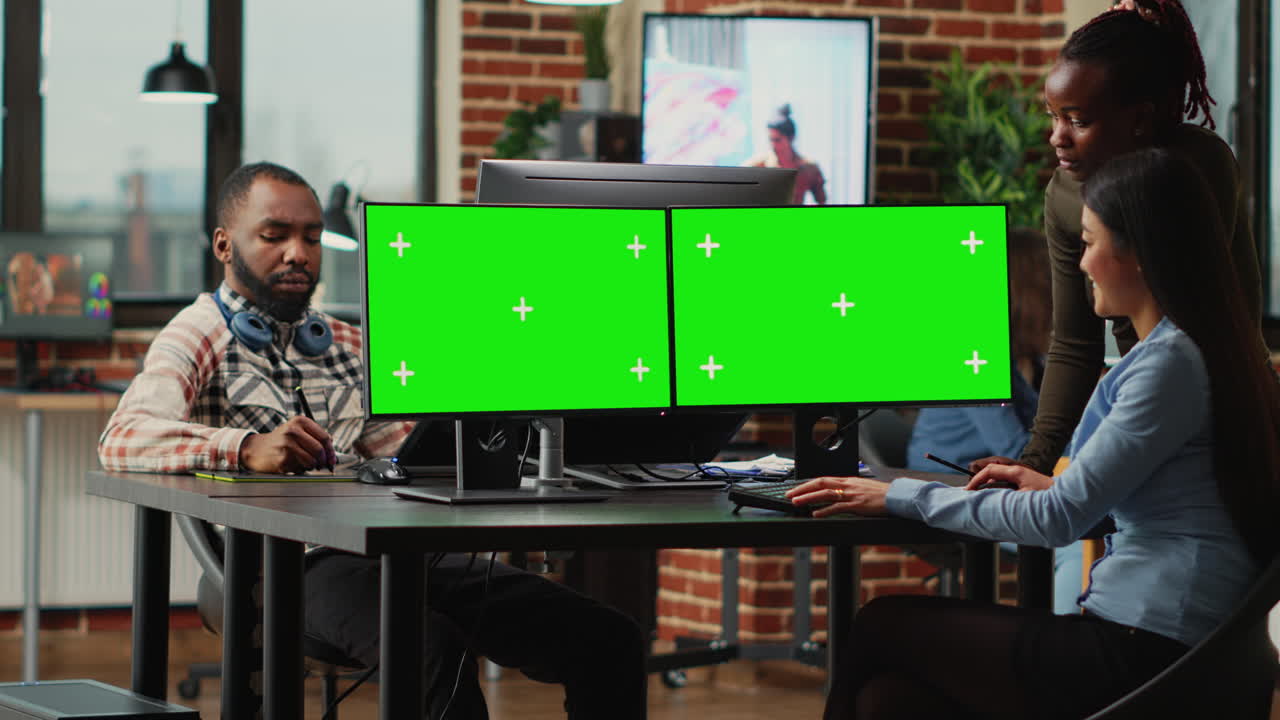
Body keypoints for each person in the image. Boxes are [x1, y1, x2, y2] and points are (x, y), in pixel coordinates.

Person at [98, 162, 646, 720]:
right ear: (224, 245)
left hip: (389, 552)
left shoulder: (345, 342)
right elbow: (123, 436)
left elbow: (403, 455)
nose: (298, 254)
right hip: (278, 564)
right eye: (275, 236)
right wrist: (245, 447)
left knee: (607, 638)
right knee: (429, 648)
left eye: (312, 238)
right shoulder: (197, 331)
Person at [787, 148, 1280, 719]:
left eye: (1090, 243)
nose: (1081, 263)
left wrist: (897, 494)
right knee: (888, 702)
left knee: (879, 625)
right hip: (1161, 639)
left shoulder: (1169, 364)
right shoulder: (1195, 350)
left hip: (1145, 649)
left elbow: (1057, 521)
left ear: (1140, 255)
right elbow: (1137, 501)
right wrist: (1049, 484)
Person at [977, 0, 1270, 479]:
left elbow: (1198, 326)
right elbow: (1074, 343)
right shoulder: (1065, 196)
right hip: (1142, 402)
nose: (1056, 137)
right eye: (1053, 116)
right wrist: (1033, 461)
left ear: (1140, 119)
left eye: (1078, 120)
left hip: (1227, 412)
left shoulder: (1196, 168)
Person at [746, 104, 827, 204]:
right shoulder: (757, 166)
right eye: (771, 140)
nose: (773, 145)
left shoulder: (810, 168)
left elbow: (822, 202)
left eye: (777, 140)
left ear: (791, 138)